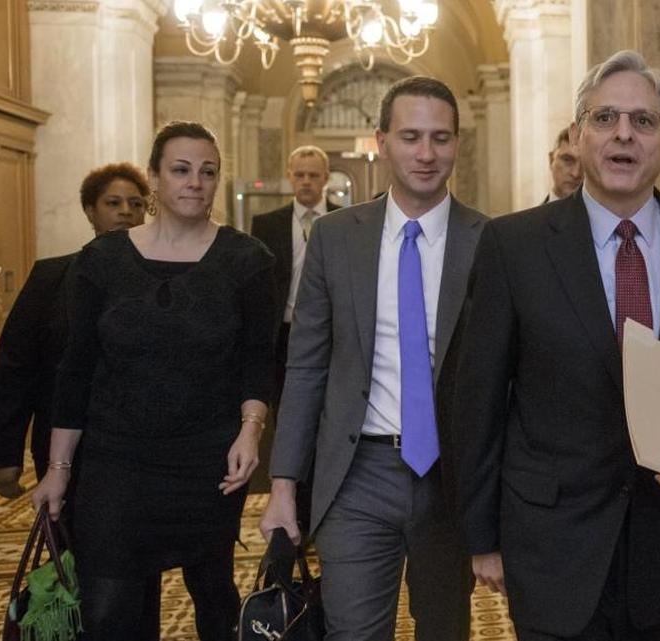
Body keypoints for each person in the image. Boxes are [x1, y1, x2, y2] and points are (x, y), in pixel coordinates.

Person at [452, 50, 660, 641]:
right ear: (577, 135)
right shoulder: (512, 247)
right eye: (605, 118)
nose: (624, 134)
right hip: (549, 545)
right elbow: (479, 397)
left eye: (644, 122)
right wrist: (482, 537)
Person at [259, 76, 485, 641]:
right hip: (356, 475)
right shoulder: (335, 239)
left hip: (451, 480)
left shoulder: (491, 242)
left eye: (441, 137)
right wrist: (283, 485)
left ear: (458, 143)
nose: (427, 153)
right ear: (381, 142)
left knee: (445, 630)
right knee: (352, 631)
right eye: (411, 136)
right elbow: (306, 367)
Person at [32, 120, 276, 641]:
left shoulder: (247, 261)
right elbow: (76, 371)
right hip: (116, 461)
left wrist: (250, 430)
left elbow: (258, 362)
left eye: (207, 172)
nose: (195, 182)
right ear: (155, 179)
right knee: (108, 606)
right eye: (181, 170)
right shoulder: (102, 261)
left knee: (214, 596)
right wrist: (58, 469)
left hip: (206, 461)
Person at [0, 163, 148, 499]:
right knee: (72, 544)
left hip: (141, 445)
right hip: (63, 444)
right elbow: (16, 368)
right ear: (90, 211)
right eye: (113, 203)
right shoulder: (51, 278)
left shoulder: (164, 281)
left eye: (136, 204)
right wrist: (5, 457)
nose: (126, 213)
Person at [250, 144, 340, 531]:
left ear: (326, 178)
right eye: (300, 174)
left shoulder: (344, 222)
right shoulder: (266, 224)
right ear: (290, 175)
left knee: (327, 421)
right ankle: (294, 508)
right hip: (283, 336)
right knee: (290, 420)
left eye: (313, 175)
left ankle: (324, 505)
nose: (306, 181)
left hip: (334, 338)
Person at [544, 126, 581, 203]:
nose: (576, 173)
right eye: (567, 160)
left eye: (585, 164)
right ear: (551, 160)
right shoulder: (531, 215)